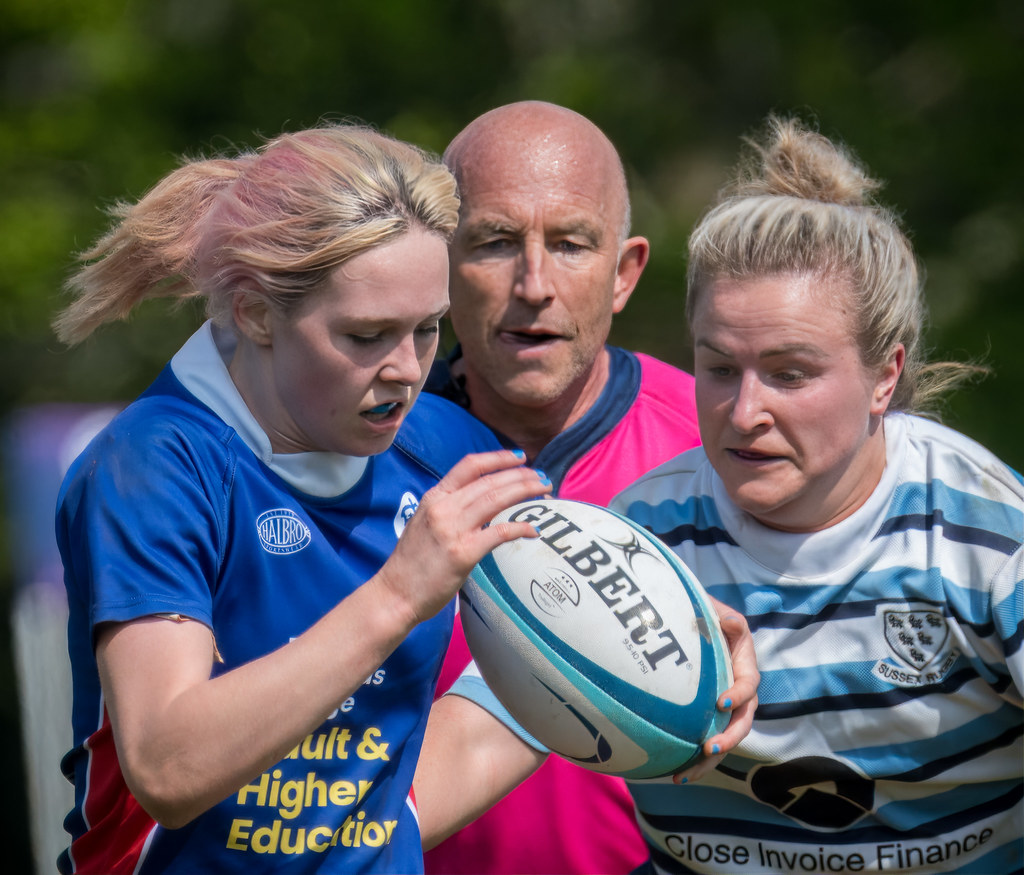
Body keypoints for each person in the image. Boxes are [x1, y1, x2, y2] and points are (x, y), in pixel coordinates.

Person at [52, 123, 553, 874]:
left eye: (426, 329)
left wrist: (675, 644)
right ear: (255, 312)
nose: (406, 371)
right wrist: (398, 595)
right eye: (365, 334)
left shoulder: (442, 446)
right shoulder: (154, 463)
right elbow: (166, 767)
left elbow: (568, 624)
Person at [605, 117, 1021, 872]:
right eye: (720, 368)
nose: (744, 410)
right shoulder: (636, 544)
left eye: (790, 373)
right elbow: (483, 734)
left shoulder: (988, 535)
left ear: (885, 377)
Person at [421, 101, 757, 875]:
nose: (533, 284)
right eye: (496, 242)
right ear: (439, 264)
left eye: (571, 244)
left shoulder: (726, 447)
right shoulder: (358, 458)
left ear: (624, 272)